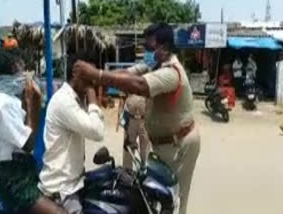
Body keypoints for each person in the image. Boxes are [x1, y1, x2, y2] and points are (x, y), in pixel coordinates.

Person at [74, 23, 200, 214]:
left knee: (172, 198)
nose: (147, 52)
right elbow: (128, 74)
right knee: (152, 195)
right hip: (161, 143)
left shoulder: (171, 73)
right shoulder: (154, 65)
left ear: (164, 48)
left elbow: (139, 85)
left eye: (150, 48)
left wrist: (97, 74)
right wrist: (100, 80)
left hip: (179, 145)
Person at [0, 48, 67, 214]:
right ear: (13, 70)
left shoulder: (12, 100)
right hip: (15, 183)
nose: (26, 74)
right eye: (22, 69)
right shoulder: (2, 105)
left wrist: (28, 100)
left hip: (26, 174)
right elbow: (28, 144)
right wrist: (34, 105)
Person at [38, 53, 105, 214]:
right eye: (90, 76)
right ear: (76, 73)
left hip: (73, 184)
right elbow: (97, 131)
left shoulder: (76, 98)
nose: (93, 82)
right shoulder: (64, 101)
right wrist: (92, 96)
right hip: (62, 191)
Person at [121, 94, 151, 169]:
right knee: (128, 148)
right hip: (131, 119)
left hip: (144, 120)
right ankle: (127, 172)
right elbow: (123, 97)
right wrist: (121, 116)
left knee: (145, 149)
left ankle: (145, 170)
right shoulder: (130, 83)